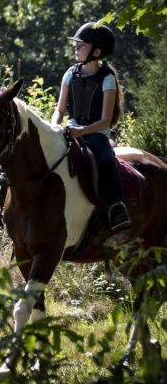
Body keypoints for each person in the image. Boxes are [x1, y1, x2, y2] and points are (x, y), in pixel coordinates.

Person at [51, 22, 131, 239]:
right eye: (76, 45)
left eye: (81, 45)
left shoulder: (107, 79)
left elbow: (106, 121)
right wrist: (54, 126)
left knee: (105, 160)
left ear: (96, 51)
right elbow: (59, 109)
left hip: (97, 134)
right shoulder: (70, 74)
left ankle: (117, 207)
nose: (76, 48)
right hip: (71, 129)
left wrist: (82, 131)